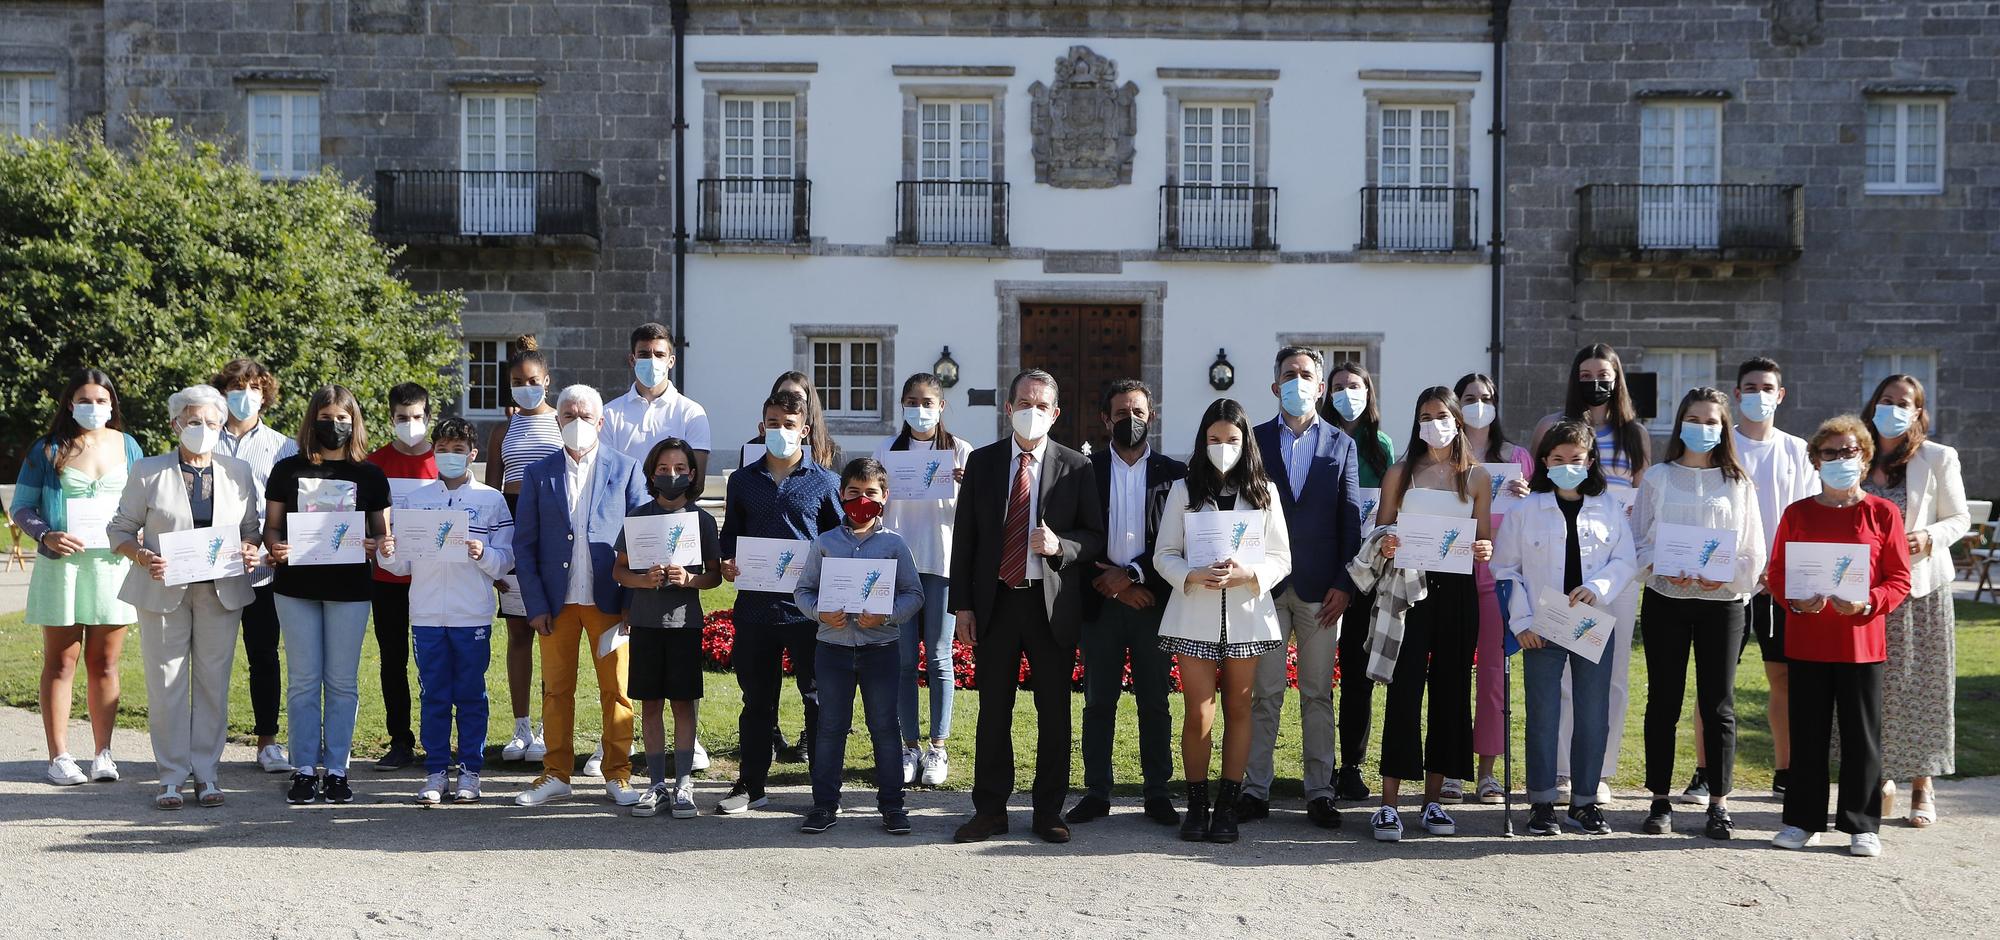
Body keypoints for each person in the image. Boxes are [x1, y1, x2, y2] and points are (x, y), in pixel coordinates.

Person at [950, 369, 1105, 845]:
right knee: (993, 711)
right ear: (1008, 407)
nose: (1031, 412)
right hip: (995, 602)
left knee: (1053, 712)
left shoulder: (1077, 467)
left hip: (1049, 606)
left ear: (1055, 414)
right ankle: (991, 809)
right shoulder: (984, 462)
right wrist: (963, 607)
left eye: (1041, 406)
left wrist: (1061, 546)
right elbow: (966, 539)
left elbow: (1093, 537)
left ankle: (1047, 812)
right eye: (1024, 402)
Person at [107, 384, 261, 808]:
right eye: (195, 422)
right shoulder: (148, 472)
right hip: (162, 591)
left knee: (213, 683)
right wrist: (141, 556)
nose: (204, 429)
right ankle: (171, 776)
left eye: (213, 423)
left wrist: (251, 547)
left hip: (221, 591)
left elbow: (252, 529)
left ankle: (208, 773)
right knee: (166, 684)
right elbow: (118, 529)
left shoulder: (238, 471)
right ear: (176, 424)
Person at [1769, 414, 1913, 859]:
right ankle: (1801, 820)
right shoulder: (1798, 513)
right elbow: (1776, 574)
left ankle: (1861, 824)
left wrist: (1869, 602)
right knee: (1807, 735)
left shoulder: (1883, 512)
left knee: (1861, 737)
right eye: (1829, 453)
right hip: (1809, 640)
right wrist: (1795, 600)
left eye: (1848, 451)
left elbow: (1899, 578)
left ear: (1864, 458)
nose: (1839, 459)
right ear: (1815, 461)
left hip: (1861, 643)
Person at [1154, 398, 1294, 844]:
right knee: (1198, 713)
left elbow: (1281, 558)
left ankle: (1228, 805)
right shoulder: (1183, 490)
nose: (1222, 447)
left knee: (1239, 709)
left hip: (1247, 615)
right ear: (1202, 441)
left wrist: (1251, 574)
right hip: (1194, 614)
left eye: (1231, 439)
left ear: (1245, 441)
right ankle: (1197, 803)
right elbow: (1164, 556)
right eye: (1214, 440)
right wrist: (1191, 575)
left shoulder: (1264, 492)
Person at [1633, 389, 1766, 839]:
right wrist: (1660, 563)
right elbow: (1639, 541)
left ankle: (1719, 803)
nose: (1702, 428)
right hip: (1667, 599)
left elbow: (1752, 550)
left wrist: (1725, 576)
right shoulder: (1658, 477)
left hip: (1722, 604)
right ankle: (1659, 800)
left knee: (1718, 704)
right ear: (1680, 423)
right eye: (1694, 418)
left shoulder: (1738, 482)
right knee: (1663, 700)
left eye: (1711, 421)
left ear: (1724, 428)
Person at [1493, 419, 1636, 837]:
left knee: (1593, 713)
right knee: (1543, 713)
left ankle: (1585, 802)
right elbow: (1506, 569)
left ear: (1590, 462)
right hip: (1542, 624)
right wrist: (1520, 622)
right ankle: (1541, 802)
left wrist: (1596, 587)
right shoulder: (1524, 510)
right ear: (1545, 462)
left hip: (1592, 623)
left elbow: (1624, 560)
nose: (1568, 465)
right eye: (1558, 459)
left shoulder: (1608, 507)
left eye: (1576, 459)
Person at [511, 385, 650, 808]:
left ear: (601, 422)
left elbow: (641, 540)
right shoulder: (538, 473)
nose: (576, 422)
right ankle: (555, 773)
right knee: (556, 690)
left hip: (610, 602)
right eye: (568, 415)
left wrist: (632, 601)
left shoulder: (626, 469)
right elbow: (524, 544)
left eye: (585, 416)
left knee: (618, 690)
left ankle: (619, 773)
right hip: (557, 604)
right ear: (557, 421)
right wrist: (534, 605)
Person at [1241, 348, 1362, 827]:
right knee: (1265, 694)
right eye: (1289, 375)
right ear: (1275, 387)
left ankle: (1319, 792)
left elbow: (1350, 522)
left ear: (1319, 386)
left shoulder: (1341, 445)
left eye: (1305, 375)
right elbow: (1243, 515)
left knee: (1317, 693)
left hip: (1322, 593)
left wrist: (1344, 584)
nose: (1297, 382)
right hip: (1267, 590)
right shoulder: (1253, 441)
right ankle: (1254, 790)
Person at [1369, 387, 1494, 841]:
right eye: (1425, 415)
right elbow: (1382, 526)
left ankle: (1434, 801)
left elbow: (1482, 541)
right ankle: (1387, 804)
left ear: (1457, 420)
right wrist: (1387, 541)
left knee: (1451, 691)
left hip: (1458, 593)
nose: (1433, 422)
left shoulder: (1477, 478)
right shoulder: (1401, 472)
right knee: (1403, 692)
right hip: (1409, 589)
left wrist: (1485, 547)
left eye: (1441, 414)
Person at [13, 368, 144, 787]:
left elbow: (145, 502)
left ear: (112, 405)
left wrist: (141, 531)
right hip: (63, 567)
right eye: (84, 400)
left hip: (111, 566)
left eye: (101, 401)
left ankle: (103, 753)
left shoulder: (129, 446)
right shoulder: (48, 448)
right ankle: (60, 757)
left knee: (105, 663)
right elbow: (21, 506)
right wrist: (45, 533)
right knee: (60, 662)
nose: (93, 408)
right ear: (70, 404)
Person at [375, 416, 515, 806]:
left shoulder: (491, 500)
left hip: (471, 615)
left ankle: (470, 771)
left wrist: (482, 552)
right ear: (433, 452)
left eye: (458, 450)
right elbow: (402, 564)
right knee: (434, 694)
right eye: (442, 449)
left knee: (471, 695)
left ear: (472, 454)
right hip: (426, 615)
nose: (450, 456)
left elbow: (506, 559)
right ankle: (436, 771)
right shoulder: (418, 500)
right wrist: (388, 554)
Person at [1531, 343, 1650, 805]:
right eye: (1585, 374)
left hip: (1614, 567)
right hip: (1561, 558)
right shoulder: (1550, 426)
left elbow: (1640, 498)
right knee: (1560, 674)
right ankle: (1562, 771)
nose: (1594, 382)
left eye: (1603, 374)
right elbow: (1537, 478)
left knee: (1611, 675)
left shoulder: (1634, 434)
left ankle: (1597, 771)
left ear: (1617, 379)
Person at [717, 390, 845, 814]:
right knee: (756, 703)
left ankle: (824, 791)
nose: (780, 431)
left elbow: (838, 542)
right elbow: (729, 538)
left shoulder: (826, 482)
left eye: (789, 425)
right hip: (755, 610)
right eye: (773, 424)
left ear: (804, 431)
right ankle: (750, 786)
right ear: (761, 427)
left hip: (807, 612)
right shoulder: (742, 480)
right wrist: (728, 564)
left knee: (817, 700)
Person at [1067, 379, 1187, 827]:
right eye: (1121, 414)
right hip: (1101, 603)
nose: (1130, 421)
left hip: (1152, 603)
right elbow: (1076, 533)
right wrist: (1114, 584)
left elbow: (1178, 542)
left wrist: (1135, 576)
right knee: (1099, 701)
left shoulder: (1175, 475)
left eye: (1137, 412)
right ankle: (1097, 791)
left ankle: (1157, 792)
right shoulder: (1083, 470)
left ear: (1151, 416)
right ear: (1105, 419)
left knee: (1154, 700)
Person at [264, 385, 392, 805]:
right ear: (311, 420)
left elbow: (382, 533)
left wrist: (379, 544)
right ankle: (303, 769)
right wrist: (274, 547)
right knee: (302, 682)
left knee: (341, 682)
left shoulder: (370, 475)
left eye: (342, 418)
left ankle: (337, 769)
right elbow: (273, 528)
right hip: (296, 588)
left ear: (353, 422)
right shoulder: (287, 470)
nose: (334, 425)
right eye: (326, 417)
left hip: (350, 589)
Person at [794, 457, 926, 835]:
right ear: (841, 495)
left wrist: (885, 616)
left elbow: (913, 594)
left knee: (885, 727)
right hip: (832, 649)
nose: (861, 500)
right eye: (853, 492)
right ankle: (823, 805)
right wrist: (821, 612)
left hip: (880, 649)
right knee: (831, 727)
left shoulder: (894, 545)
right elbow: (802, 590)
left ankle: (892, 807)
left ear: (885, 496)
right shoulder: (825, 543)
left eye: (870, 493)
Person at [1862, 373, 1968, 829]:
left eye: (1904, 402)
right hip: (1863, 590)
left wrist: (1928, 536)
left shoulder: (1937, 457)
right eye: (1886, 399)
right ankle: (1877, 776)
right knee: (1871, 687)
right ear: (1873, 403)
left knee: (1922, 687)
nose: (1893, 408)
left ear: (1919, 412)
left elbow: (1959, 517)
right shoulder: (1855, 454)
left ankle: (1922, 784)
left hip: (1920, 588)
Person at [871, 372, 973, 788]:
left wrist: (968, 486)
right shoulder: (885, 450)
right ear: (902, 405)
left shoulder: (961, 452)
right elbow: (872, 504)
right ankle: (908, 745)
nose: (920, 409)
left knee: (938, 655)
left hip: (942, 564)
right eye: (912, 401)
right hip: (899, 565)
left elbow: (976, 515)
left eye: (928, 401)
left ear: (941, 406)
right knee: (902, 662)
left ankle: (938, 746)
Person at [612, 437, 720, 820]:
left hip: (684, 624)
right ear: (651, 473)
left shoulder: (702, 521)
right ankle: (656, 783)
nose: (671, 475)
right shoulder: (639, 517)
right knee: (651, 704)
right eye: (663, 469)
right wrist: (644, 581)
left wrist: (689, 579)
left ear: (692, 475)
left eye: (679, 469)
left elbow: (714, 576)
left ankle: (684, 783)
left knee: (683, 703)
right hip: (644, 623)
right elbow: (619, 570)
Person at [1728, 356, 1818, 803]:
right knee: (1717, 679)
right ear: (1736, 393)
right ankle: (1708, 773)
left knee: (1782, 677)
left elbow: (1805, 515)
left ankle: (1785, 769)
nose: (1759, 395)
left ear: (1780, 395)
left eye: (1768, 387)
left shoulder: (1798, 450)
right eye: (1751, 386)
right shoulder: (1721, 447)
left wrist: (1778, 567)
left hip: (1782, 583)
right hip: (1729, 580)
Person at [211, 358, 300, 773]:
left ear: (265, 394)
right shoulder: (203, 440)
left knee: (263, 655)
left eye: (252, 388)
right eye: (235, 387)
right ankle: (204, 744)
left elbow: (292, 509)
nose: (244, 396)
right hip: (209, 571)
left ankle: (267, 741)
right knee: (210, 657)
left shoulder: (285, 447)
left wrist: (266, 548)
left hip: (262, 569)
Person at [1454, 372, 1534, 804]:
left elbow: (1535, 519)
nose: (1478, 405)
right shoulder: (1444, 457)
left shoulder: (1518, 457)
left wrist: (1527, 494)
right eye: (1469, 398)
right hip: (1451, 576)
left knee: (1492, 677)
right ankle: (1449, 769)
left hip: (1497, 580)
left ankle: (1487, 770)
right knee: (1449, 675)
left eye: (1486, 398)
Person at [483, 337, 559, 765]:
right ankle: (520, 726)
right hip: (512, 528)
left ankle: (550, 726)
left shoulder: (562, 424)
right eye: (517, 382)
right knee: (517, 633)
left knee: (550, 632)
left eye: (532, 380)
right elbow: (492, 494)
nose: (525, 387)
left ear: (546, 381)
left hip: (549, 531)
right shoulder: (502, 429)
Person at [1324, 359, 1396, 804]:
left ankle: (1350, 764)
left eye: (1355, 385)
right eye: (1339, 386)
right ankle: (1317, 763)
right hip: (1322, 569)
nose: (1347, 392)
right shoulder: (1320, 440)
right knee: (1315, 678)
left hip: (1367, 574)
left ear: (1369, 392)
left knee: (1356, 673)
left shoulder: (1380, 445)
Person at [364, 381, 438, 771]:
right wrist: (371, 541)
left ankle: (439, 742)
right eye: (401, 418)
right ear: (390, 418)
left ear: (428, 417)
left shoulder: (443, 461)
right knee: (393, 661)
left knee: (435, 660)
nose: (409, 424)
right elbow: (363, 520)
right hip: (387, 580)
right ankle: (400, 741)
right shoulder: (374, 464)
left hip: (434, 578)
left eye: (416, 417)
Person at [602, 321, 713, 474]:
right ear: (632, 360)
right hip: (625, 499)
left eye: (659, 355)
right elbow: (604, 473)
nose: (652, 361)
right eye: (644, 354)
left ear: (671, 361)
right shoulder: (608, 414)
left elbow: (696, 480)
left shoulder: (691, 413)